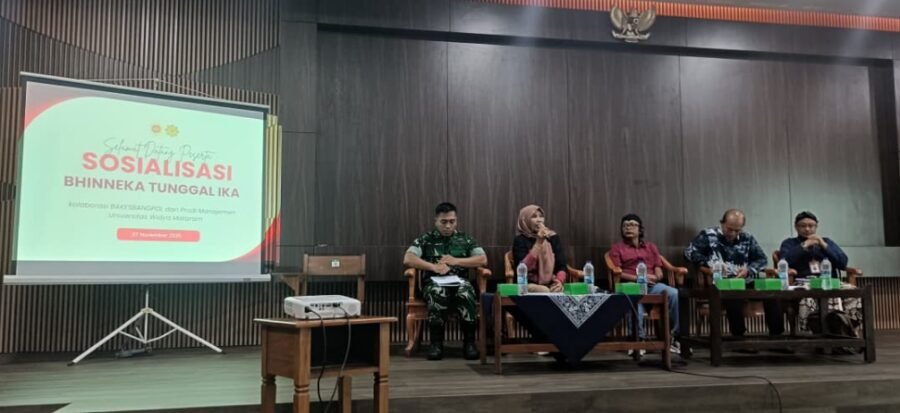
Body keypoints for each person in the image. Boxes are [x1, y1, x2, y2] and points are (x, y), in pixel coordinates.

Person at [403, 202, 487, 360]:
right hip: (434, 283)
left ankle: (469, 343)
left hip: (459, 282)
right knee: (437, 292)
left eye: (452, 221)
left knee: (466, 292)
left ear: (456, 221)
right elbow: (408, 258)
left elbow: (482, 259)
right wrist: (433, 267)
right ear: (436, 221)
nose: (448, 226)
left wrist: (456, 261)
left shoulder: (465, 239)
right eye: (443, 222)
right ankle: (436, 344)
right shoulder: (426, 239)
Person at [684, 209, 784, 338]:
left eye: (737, 230)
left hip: (745, 280)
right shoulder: (708, 235)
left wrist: (749, 269)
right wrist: (710, 265)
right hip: (721, 282)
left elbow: (762, 259)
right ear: (722, 223)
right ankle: (738, 336)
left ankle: (777, 336)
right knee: (733, 295)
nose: (732, 233)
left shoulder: (747, 237)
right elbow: (689, 253)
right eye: (729, 229)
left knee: (771, 294)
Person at [779, 211, 861, 337]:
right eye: (803, 226)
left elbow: (842, 262)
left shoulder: (826, 241)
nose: (807, 229)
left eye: (811, 226)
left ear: (816, 226)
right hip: (804, 285)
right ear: (796, 227)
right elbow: (785, 261)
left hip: (830, 283)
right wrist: (804, 245)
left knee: (853, 295)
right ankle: (813, 335)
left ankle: (848, 332)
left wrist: (823, 245)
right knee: (807, 300)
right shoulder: (789, 243)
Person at [609, 214, 680, 354]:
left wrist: (655, 276)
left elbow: (659, 270)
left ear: (640, 229)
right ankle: (638, 340)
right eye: (625, 225)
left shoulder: (651, 247)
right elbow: (617, 272)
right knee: (635, 302)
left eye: (632, 224)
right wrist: (638, 278)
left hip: (651, 285)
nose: (628, 228)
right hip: (630, 285)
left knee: (673, 293)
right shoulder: (617, 248)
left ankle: (675, 337)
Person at [512, 205, 568, 293]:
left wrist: (559, 281)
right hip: (527, 283)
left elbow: (562, 265)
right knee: (544, 290)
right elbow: (522, 268)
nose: (539, 220)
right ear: (525, 220)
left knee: (558, 291)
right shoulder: (520, 240)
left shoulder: (553, 237)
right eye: (534, 217)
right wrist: (538, 242)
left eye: (541, 216)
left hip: (551, 282)